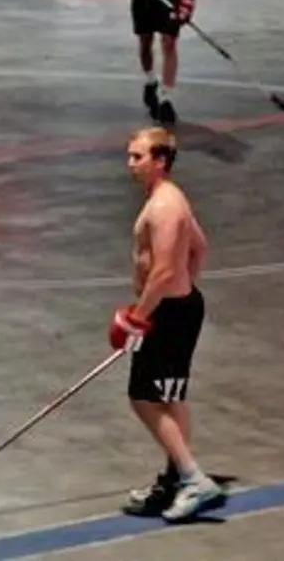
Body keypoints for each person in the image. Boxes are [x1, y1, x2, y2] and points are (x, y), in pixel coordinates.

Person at [111, 127, 225, 521]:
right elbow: (200, 247)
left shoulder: (164, 207)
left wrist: (138, 317)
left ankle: (194, 480)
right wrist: (183, 287)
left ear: (160, 160)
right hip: (177, 307)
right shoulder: (172, 199)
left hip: (168, 313)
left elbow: (161, 271)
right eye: (130, 156)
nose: (130, 164)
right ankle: (176, 477)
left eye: (138, 157)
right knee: (170, 396)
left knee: (143, 396)